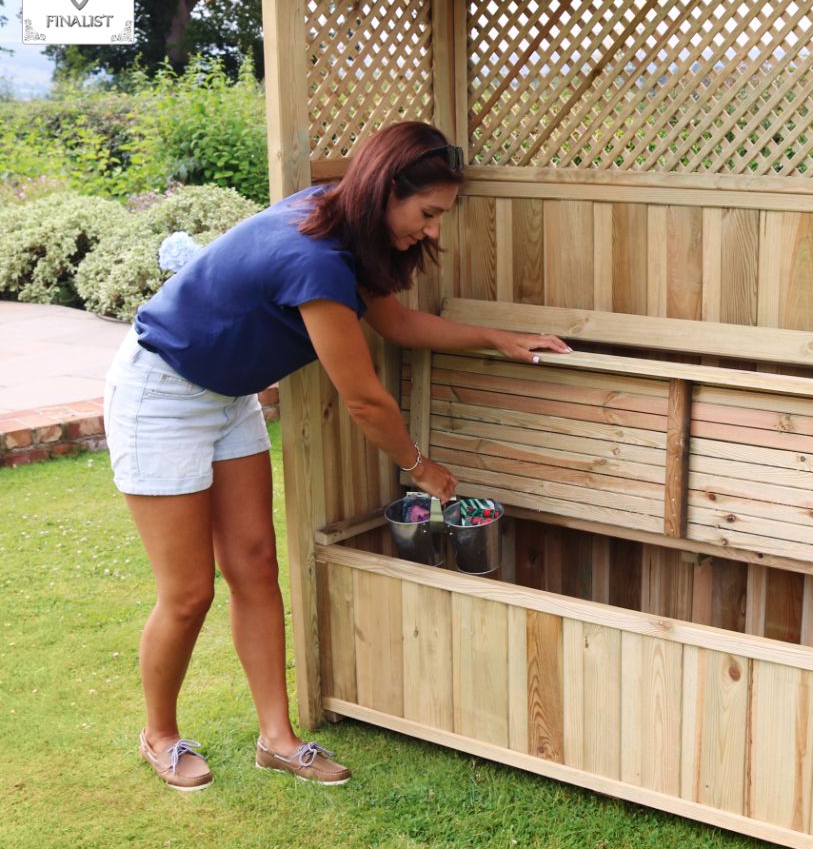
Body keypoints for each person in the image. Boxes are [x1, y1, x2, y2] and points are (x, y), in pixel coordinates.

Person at [103, 120, 571, 792]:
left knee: (256, 567)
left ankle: (278, 740)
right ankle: (161, 735)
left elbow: (396, 323)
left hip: (226, 397)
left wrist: (497, 338)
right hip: (161, 392)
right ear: (388, 191)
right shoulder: (317, 256)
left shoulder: (345, 224)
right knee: (188, 594)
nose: (435, 231)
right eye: (429, 213)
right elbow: (364, 400)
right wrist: (421, 468)